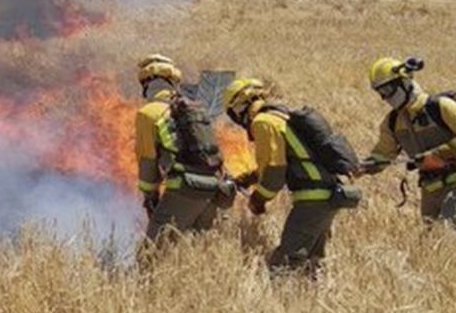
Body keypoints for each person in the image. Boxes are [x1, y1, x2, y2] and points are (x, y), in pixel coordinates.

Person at [222, 78, 354, 275]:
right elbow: (291, 158)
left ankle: (286, 302)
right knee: (310, 264)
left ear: (239, 107)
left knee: (284, 265)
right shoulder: (280, 116)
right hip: (328, 195)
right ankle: (308, 303)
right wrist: (248, 178)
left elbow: (275, 171)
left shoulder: (262, 122)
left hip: (312, 201)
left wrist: (258, 200)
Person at [134, 55, 230, 247]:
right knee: (196, 250)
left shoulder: (148, 113)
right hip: (214, 189)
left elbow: (147, 162)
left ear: (146, 84)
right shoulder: (196, 109)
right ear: (173, 82)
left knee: (152, 253)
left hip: (184, 188)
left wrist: (150, 198)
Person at [359, 57, 456, 224]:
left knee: (448, 233)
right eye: (380, 92)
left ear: (405, 81)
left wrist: (438, 154)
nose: (385, 97)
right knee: (432, 243)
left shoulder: (441, 107)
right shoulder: (392, 123)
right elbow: (382, 155)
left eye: (388, 89)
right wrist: (361, 167)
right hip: (431, 192)